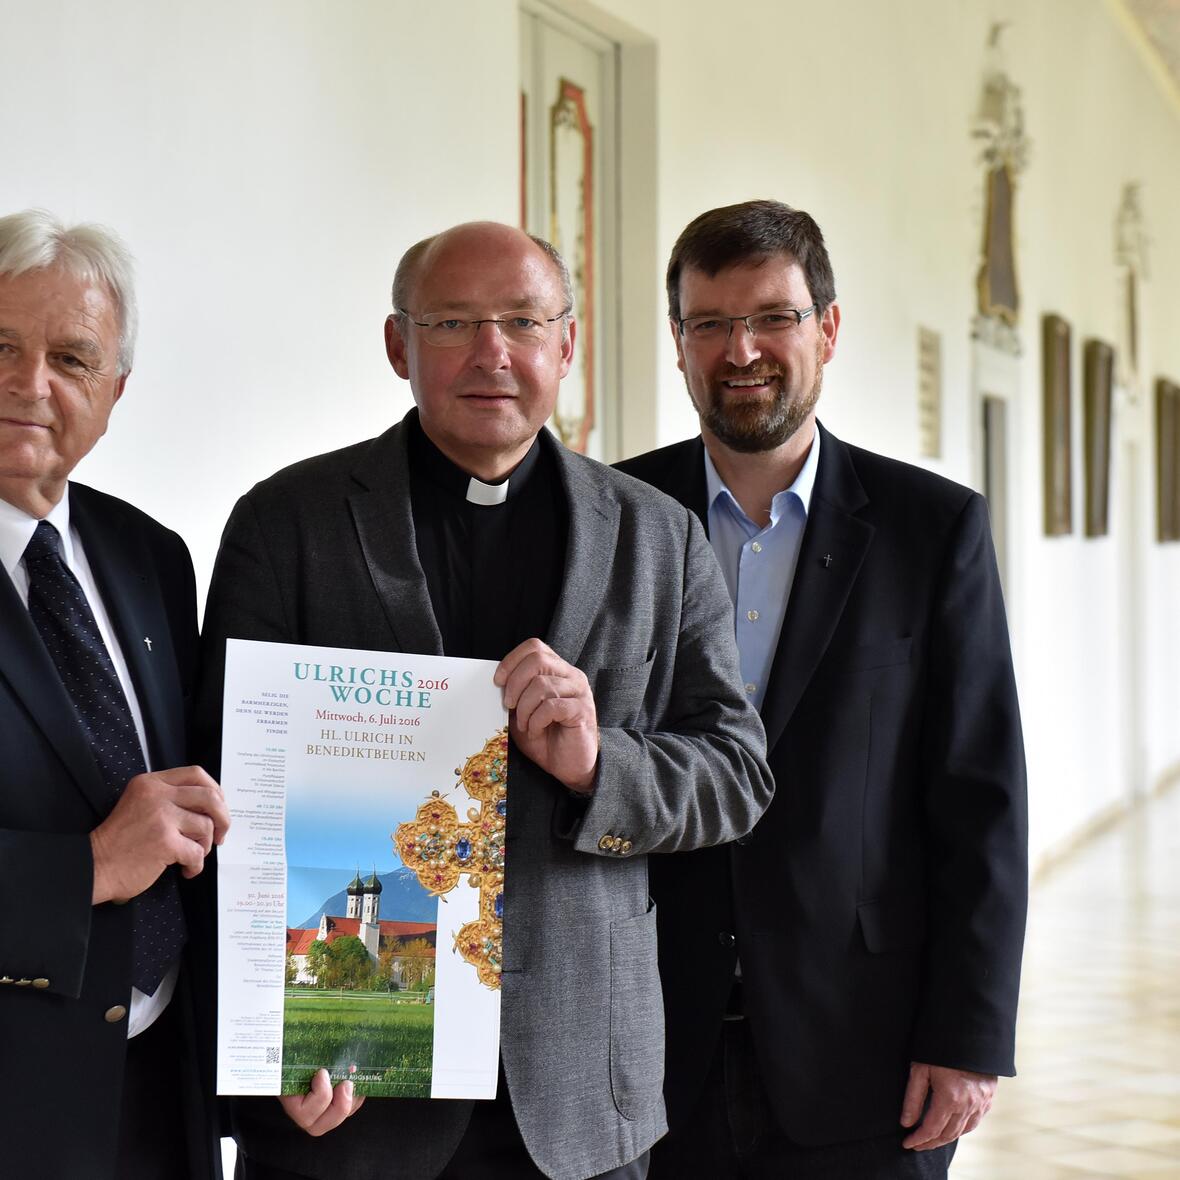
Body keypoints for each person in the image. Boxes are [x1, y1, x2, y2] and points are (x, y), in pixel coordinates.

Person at [196, 220, 773, 1180]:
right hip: (350, 1076)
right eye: (454, 322)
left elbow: (737, 774)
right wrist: (263, 1048)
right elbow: (231, 794)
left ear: (567, 344)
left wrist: (600, 765)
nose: (491, 353)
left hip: (577, 1082)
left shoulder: (657, 537)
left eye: (520, 320)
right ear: (398, 346)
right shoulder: (286, 523)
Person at [617, 199, 1028, 1179]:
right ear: (677, 344)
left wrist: (969, 1034)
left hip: (866, 1047)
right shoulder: (613, 516)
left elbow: (981, 800)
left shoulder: (933, 531)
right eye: (708, 323)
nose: (741, 349)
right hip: (647, 1041)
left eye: (772, 317)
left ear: (827, 329)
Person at [0, 209, 229, 1179]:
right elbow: (122, 847)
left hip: (156, 1098)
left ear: (116, 391)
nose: (31, 383)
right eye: (1, 346)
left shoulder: (152, 557)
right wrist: (86, 866)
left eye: (72, 357)